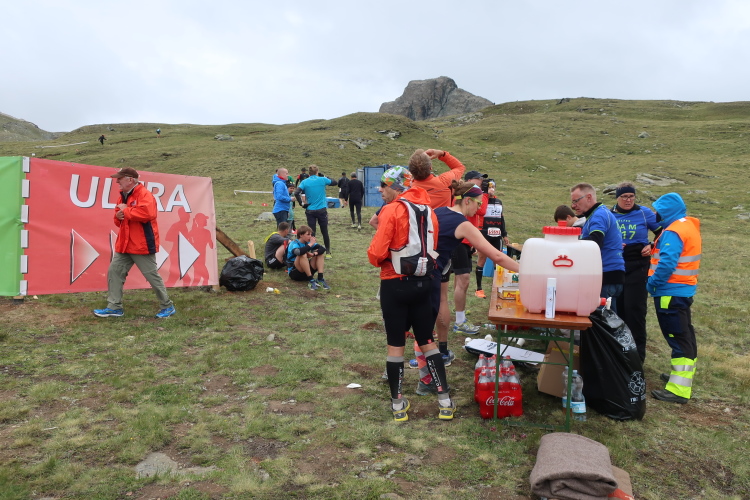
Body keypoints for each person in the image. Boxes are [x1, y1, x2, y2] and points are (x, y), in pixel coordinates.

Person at [415, 181, 521, 395]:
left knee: (419, 327)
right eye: (478, 204)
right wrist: (526, 270)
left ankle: (419, 377)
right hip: (431, 275)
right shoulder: (462, 224)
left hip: (418, 271)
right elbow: (497, 255)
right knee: (425, 332)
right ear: (467, 201)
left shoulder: (438, 211)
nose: (480, 209)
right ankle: (426, 382)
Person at [367, 166, 455, 421]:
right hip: (424, 282)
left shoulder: (391, 210)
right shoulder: (429, 210)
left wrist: (382, 255)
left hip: (394, 283)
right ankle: (445, 402)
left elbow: (376, 254)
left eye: (384, 186)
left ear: (396, 187)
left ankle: (398, 406)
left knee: (396, 344)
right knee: (427, 340)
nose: (380, 191)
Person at [408, 148, 467, 363]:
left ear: (411, 173)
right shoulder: (444, 182)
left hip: (414, 249)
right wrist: (442, 154)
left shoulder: (409, 190)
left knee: (416, 298)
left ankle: (422, 349)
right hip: (441, 247)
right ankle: (441, 350)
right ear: (431, 167)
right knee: (441, 297)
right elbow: (460, 167)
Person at [93, 167, 175, 319]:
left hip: (142, 244)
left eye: (119, 178)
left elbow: (147, 214)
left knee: (151, 276)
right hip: (124, 244)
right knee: (114, 272)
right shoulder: (122, 196)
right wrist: (118, 216)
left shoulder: (145, 194)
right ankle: (114, 307)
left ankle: (167, 306)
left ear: (130, 179)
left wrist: (125, 211)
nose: (117, 181)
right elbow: (119, 220)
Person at [648, 193, 701, 404]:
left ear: (666, 211)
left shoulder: (673, 231)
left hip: (669, 292)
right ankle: (681, 379)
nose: (655, 214)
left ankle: (679, 390)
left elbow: (667, 263)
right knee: (686, 336)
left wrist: (652, 283)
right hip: (682, 291)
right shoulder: (688, 226)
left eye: (658, 210)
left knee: (678, 339)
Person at [611, 182, 662, 362]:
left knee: (635, 311)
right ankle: (618, 356)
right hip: (616, 266)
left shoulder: (644, 213)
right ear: (617, 198)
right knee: (617, 311)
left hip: (638, 266)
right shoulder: (609, 215)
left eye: (631, 196)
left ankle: (637, 359)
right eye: (624, 196)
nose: (628, 200)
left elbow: (663, 232)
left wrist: (652, 246)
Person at [570, 183, 625, 313]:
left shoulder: (599, 215)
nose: (573, 206)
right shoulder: (598, 214)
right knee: (608, 320)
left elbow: (595, 242)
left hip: (606, 276)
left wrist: (569, 245)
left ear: (589, 197)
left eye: (576, 201)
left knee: (602, 321)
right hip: (611, 275)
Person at [450, 170, 488, 334]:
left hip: (466, 241)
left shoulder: (468, 196)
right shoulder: (467, 196)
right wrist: (485, 195)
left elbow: (478, 215)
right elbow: (482, 211)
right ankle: (459, 321)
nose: (481, 182)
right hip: (461, 240)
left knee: (461, 280)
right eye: (478, 179)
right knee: (463, 280)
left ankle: (460, 312)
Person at [294, 165, 337, 259]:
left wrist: (302, 203)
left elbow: (296, 192)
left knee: (311, 232)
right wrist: (324, 176)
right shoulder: (322, 179)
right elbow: (335, 182)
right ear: (317, 172)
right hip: (321, 209)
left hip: (310, 210)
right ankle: (328, 252)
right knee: (324, 231)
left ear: (309, 173)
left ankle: (311, 251)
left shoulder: (305, 181)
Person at [475, 179, 508, 299]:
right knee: (482, 259)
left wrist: (504, 235)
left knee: (498, 261)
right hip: (484, 233)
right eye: (489, 187)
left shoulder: (498, 201)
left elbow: (501, 219)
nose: (492, 189)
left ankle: (498, 287)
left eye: (493, 187)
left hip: (497, 235)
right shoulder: (481, 201)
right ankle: (479, 289)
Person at [287, 225, 329, 290]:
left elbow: (323, 248)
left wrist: (314, 254)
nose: (310, 236)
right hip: (295, 273)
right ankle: (311, 280)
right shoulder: (294, 243)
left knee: (320, 254)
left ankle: (320, 278)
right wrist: (310, 244)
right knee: (303, 254)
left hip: (306, 271)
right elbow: (298, 252)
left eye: (311, 234)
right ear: (301, 235)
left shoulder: (308, 243)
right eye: (308, 234)